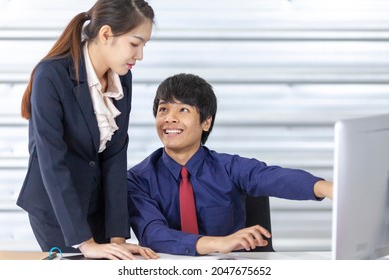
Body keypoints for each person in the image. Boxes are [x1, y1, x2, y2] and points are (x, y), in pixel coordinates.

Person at [127, 73, 333, 256]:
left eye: (183, 110)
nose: (170, 118)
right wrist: (218, 243)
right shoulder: (137, 179)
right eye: (163, 109)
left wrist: (326, 187)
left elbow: (271, 177)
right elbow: (153, 234)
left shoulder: (228, 167)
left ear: (206, 122)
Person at [17, 0, 158, 260]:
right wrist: (86, 243)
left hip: (97, 206)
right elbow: (51, 163)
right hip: (56, 208)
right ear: (106, 34)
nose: (140, 55)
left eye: (144, 46)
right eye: (135, 44)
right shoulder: (52, 75)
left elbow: (115, 156)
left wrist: (118, 235)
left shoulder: (122, 77)